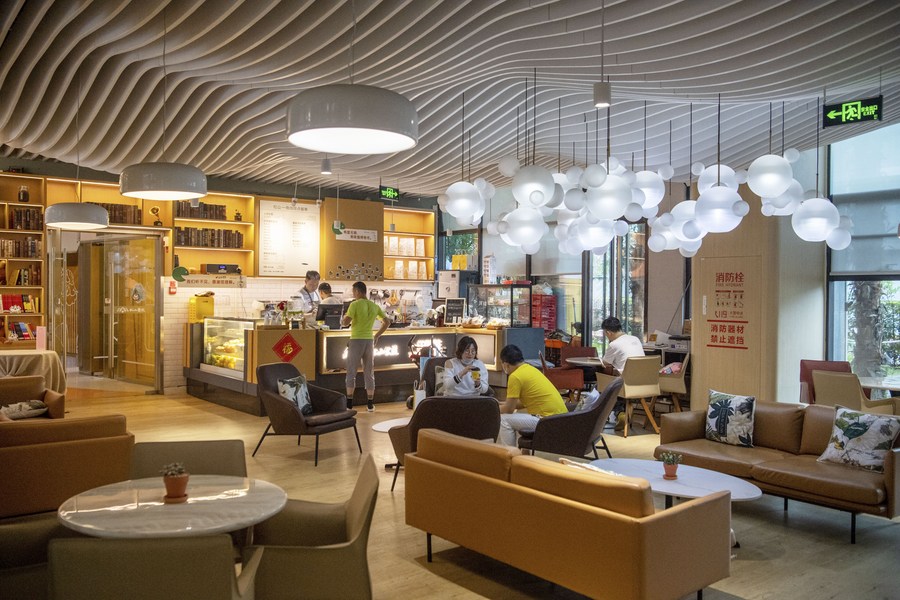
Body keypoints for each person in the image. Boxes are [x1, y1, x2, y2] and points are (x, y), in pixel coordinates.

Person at [496, 344, 567, 446]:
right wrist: (501, 404)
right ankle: (523, 452)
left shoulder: (515, 377)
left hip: (546, 421)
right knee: (517, 417)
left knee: (504, 420)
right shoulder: (530, 369)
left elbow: (509, 409)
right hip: (560, 419)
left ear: (506, 364)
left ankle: (510, 453)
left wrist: (492, 408)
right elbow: (523, 402)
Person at [342, 281, 390, 412]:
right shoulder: (374, 306)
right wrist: (377, 336)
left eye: (353, 292)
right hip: (369, 341)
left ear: (357, 291)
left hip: (356, 340)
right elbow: (387, 322)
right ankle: (370, 404)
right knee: (369, 372)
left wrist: (343, 318)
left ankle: (349, 404)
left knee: (351, 371)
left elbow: (346, 323)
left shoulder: (354, 304)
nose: (353, 294)